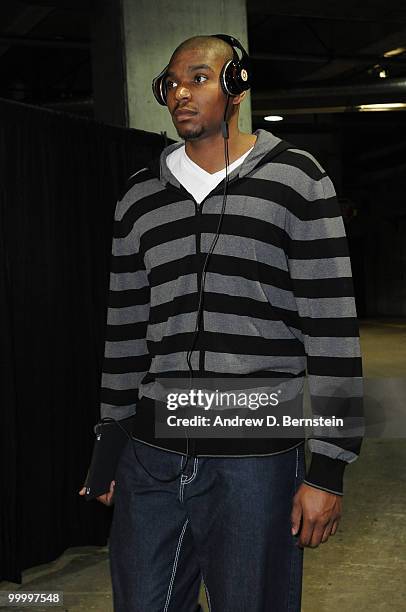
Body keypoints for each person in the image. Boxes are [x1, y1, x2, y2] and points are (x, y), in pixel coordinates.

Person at [80, 34, 363, 611]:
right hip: (152, 453)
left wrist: (327, 469)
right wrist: (109, 441)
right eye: (171, 83)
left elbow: (332, 332)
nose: (181, 93)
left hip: (255, 458)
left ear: (236, 86)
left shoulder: (297, 181)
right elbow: (126, 329)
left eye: (199, 78)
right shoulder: (139, 198)